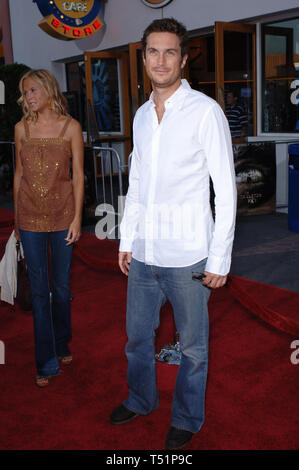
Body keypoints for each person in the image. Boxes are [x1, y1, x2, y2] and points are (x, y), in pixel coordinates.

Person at [110, 18, 237, 450]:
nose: (160, 60)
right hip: (145, 253)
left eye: (170, 52)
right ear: (143, 58)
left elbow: (226, 188)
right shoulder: (143, 115)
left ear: (183, 60)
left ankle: (186, 418)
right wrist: (128, 239)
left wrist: (219, 260)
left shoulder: (205, 111)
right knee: (136, 340)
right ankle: (141, 399)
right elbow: (138, 183)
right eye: (152, 52)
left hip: (189, 257)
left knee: (194, 349)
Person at [13, 69, 84, 388]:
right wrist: (16, 220)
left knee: (62, 287)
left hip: (62, 216)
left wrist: (77, 218)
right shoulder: (21, 129)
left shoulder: (71, 127)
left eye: (33, 90)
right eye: (25, 92)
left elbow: (79, 176)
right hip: (29, 218)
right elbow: (18, 175)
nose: (29, 97)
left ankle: (63, 341)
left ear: (48, 89)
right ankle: (46, 360)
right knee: (39, 291)